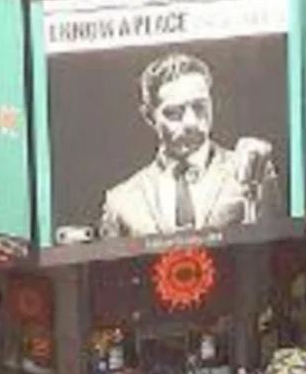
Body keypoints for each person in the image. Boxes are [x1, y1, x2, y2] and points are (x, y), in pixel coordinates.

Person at [99, 53, 283, 239]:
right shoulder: (121, 202)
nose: (191, 123)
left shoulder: (253, 169)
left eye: (199, 107)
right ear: (149, 116)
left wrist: (256, 185)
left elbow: (275, 255)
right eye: (174, 112)